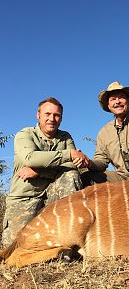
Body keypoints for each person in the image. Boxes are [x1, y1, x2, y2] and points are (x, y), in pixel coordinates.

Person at [1, 97, 90, 247]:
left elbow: (74, 166)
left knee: (71, 176)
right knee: (15, 247)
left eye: (57, 115)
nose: (52, 119)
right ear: (38, 115)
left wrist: (40, 172)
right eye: (47, 114)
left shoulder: (65, 137)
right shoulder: (24, 135)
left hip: (52, 196)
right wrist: (68, 155)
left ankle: (68, 243)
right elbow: (30, 158)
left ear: (61, 118)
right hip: (25, 198)